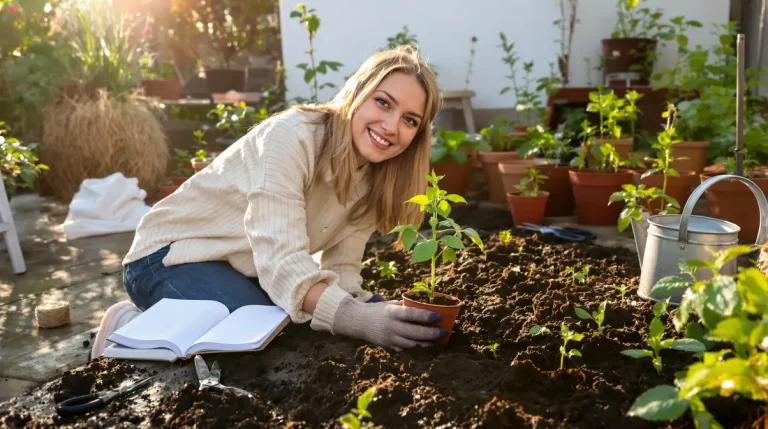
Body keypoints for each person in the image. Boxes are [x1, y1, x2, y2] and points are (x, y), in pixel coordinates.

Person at [91, 45, 448, 359]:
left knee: (300, 320)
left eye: (409, 120)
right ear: (358, 93)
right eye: (383, 102)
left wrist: (369, 309)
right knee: (267, 332)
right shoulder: (292, 138)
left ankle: (171, 321)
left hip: (242, 265)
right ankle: (132, 329)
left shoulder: (377, 174)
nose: (391, 126)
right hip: (169, 256)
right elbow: (282, 262)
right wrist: (353, 317)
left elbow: (342, 264)